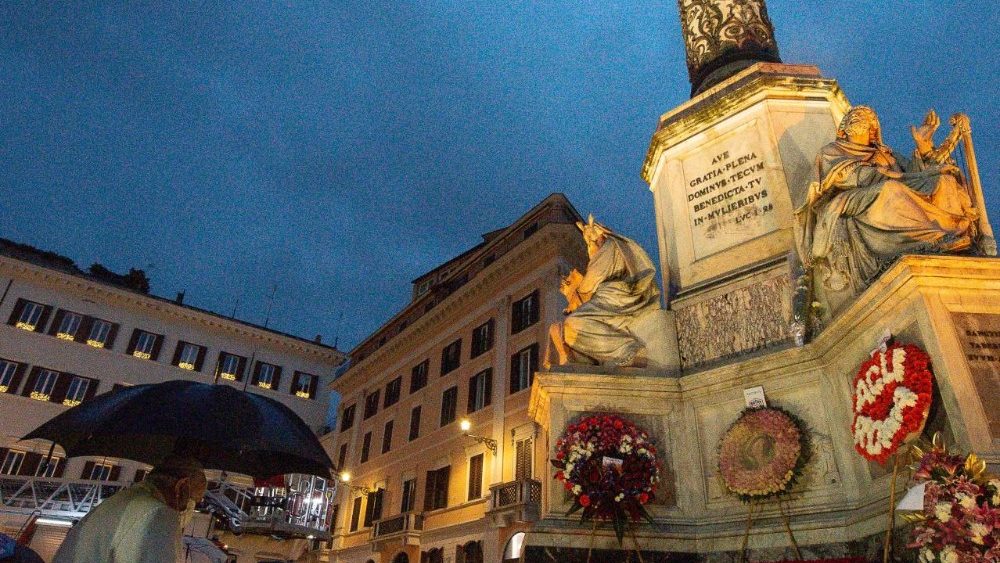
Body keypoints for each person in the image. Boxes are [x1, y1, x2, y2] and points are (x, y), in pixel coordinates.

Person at [795, 106, 977, 292]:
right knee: (891, 189)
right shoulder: (831, 151)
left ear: (873, 128)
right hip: (854, 197)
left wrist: (924, 145)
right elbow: (854, 177)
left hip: (894, 187)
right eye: (853, 116)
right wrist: (896, 176)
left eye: (865, 117)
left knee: (943, 180)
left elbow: (914, 173)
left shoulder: (885, 153)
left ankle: (952, 231)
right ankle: (931, 237)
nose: (857, 118)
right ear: (844, 126)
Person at [547, 215, 660, 367]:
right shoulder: (612, 247)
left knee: (573, 323)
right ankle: (585, 361)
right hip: (609, 296)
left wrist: (574, 293)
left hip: (614, 297)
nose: (589, 246)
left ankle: (627, 349)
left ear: (597, 236)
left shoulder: (609, 247)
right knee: (565, 331)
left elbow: (590, 282)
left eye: (589, 241)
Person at [53, 456, 207, 563]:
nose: (189, 508)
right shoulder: (158, 514)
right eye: (193, 500)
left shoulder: (122, 500)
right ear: (181, 486)